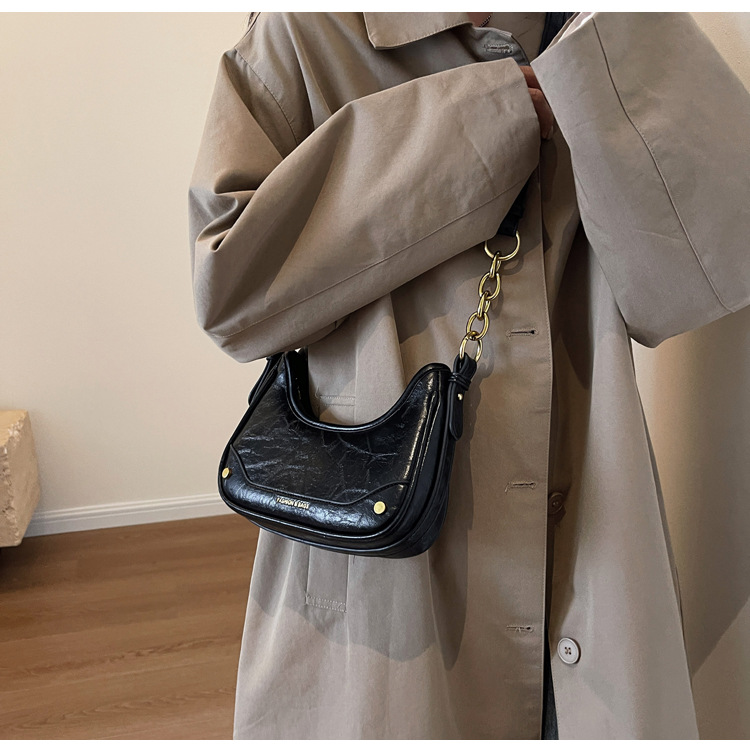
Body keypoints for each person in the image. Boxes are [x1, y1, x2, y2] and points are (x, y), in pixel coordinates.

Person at [188, 12, 750, 739]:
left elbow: (688, 284)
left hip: (592, 505)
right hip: (388, 540)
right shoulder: (306, 31)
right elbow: (230, 290)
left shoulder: (598, 24)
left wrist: (611, 55)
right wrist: (481, 120)